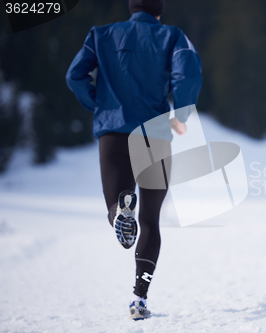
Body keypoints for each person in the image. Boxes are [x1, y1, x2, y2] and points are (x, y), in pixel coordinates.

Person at [66, 0, 202, 319]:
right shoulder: (173, 36)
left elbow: (74, 75)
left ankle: (119, 210)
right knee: (151, 220)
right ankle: (139, 298)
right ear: (160, 8)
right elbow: (188, 71)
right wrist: (181, 112)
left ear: (131, 7)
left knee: (116, 205)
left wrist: (97, 104)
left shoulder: (100, 34)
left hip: (112, 132)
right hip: (153, 134)